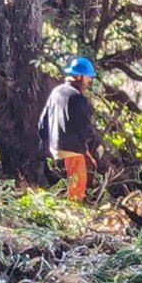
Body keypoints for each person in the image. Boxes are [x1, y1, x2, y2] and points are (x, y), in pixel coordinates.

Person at [38, 57, 101, 202]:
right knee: (78, 183)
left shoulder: (56, 92)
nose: (89, 81)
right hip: (71, 147)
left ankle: (71, 205)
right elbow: (84, 127)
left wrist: (45, 144)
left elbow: (43, 122)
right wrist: (95, 141)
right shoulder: (77, 98)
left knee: (74, 177)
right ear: (78, 76)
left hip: (56, 145)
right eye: (87, 77)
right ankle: (75, 208)